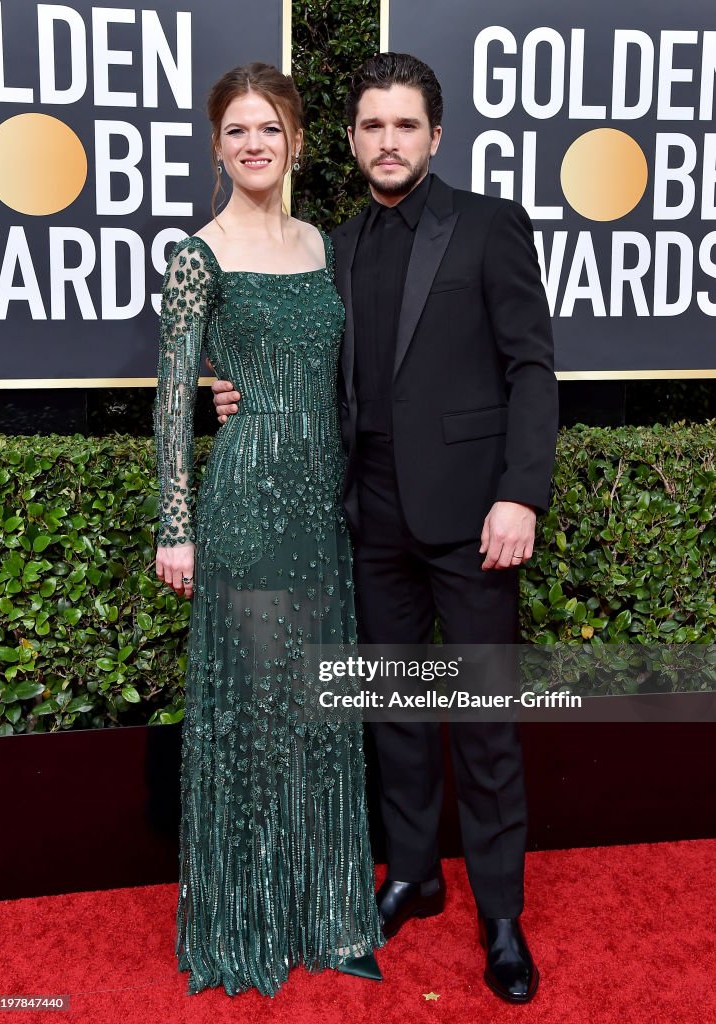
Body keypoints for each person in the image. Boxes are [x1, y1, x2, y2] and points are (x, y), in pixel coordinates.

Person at [212, 53, 559, 1004]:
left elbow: (533, 368)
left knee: (485, 726)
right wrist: (246, 391)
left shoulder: (488, 225)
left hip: (475, 520)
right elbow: (319, 367)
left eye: (406, 125)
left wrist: (521, 494)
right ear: (353, 139)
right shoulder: (340, 245)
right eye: (373, 126)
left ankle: (501, 916)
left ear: (435, 135)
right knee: (397, 716)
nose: (389, 141)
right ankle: (414, 871)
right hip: (370, 519)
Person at [153, 61, 384, 998]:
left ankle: (326, 914)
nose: (256, 144)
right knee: (255, 716)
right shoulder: (197, 254)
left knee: (318, 709)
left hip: (321, 507)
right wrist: (176, 528)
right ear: (218, 146)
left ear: (295, 142)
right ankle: (244, 920)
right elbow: (173, 401)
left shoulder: (324, 246)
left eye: (272, 129)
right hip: (246, 503)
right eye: (239, 130)